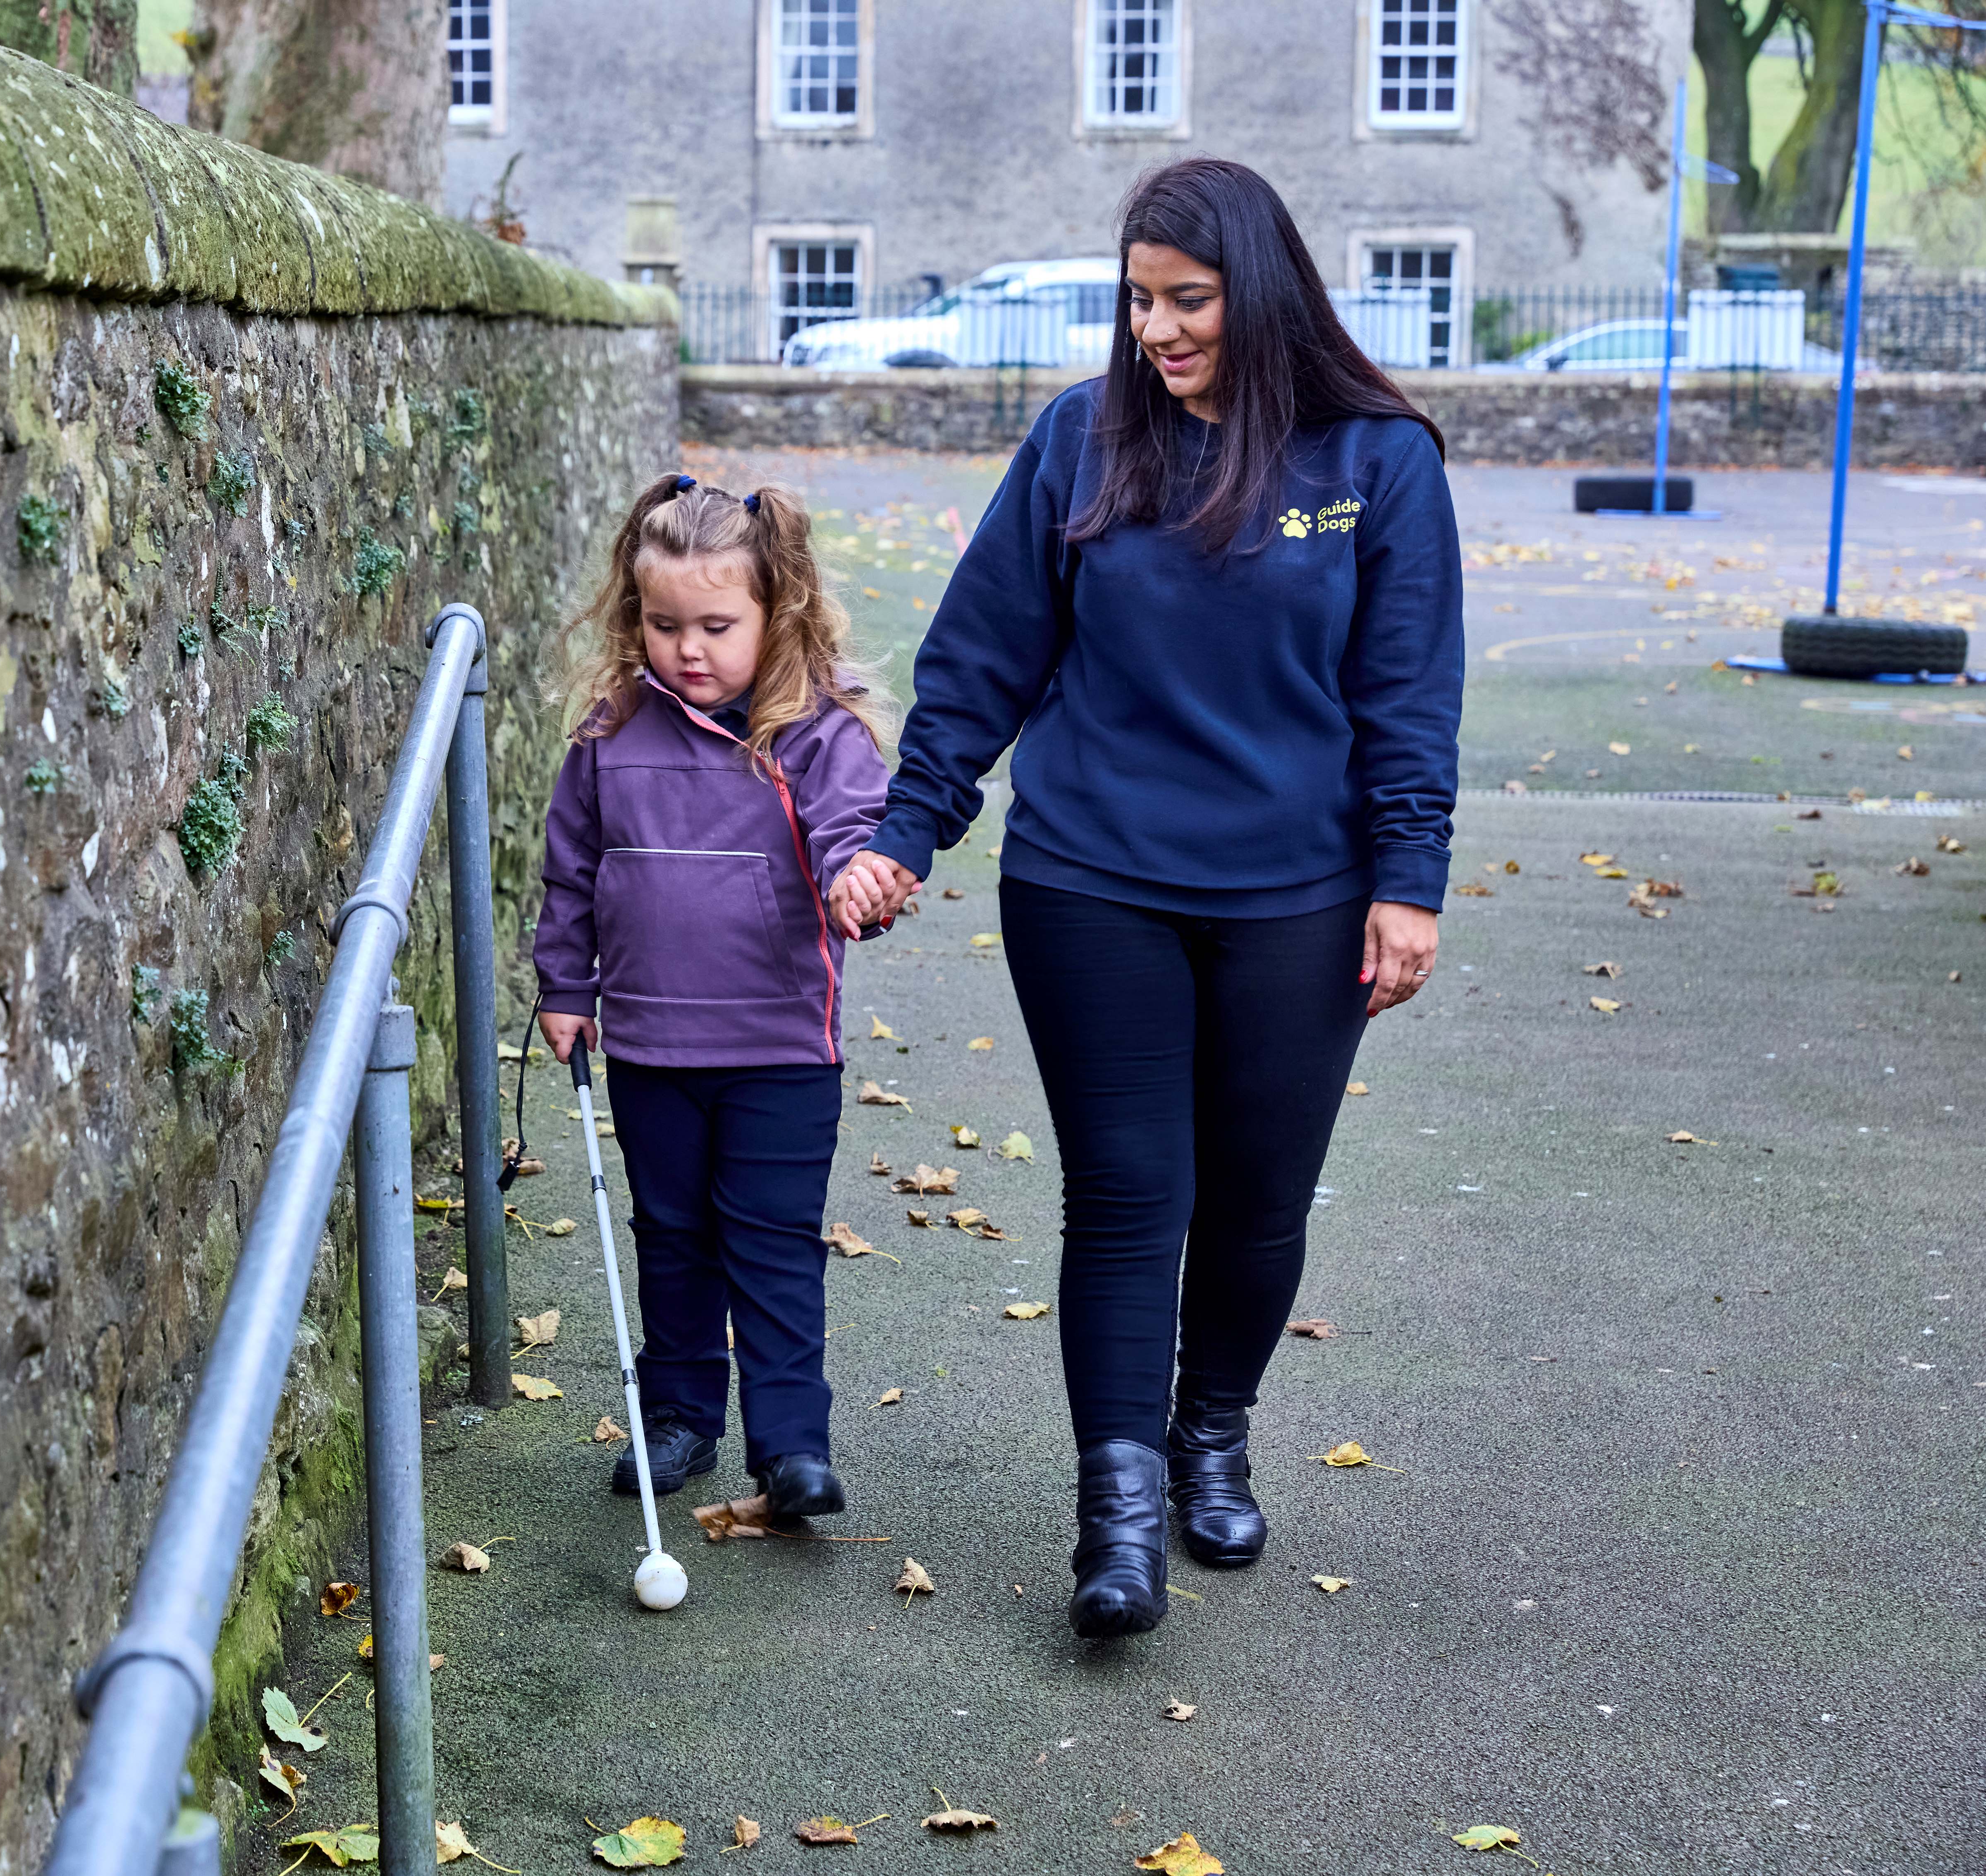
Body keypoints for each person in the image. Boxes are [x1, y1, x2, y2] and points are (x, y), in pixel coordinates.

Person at [830, 158, 1464, 1636]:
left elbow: (1406, 695)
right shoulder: (1080, 442)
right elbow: (982, 655)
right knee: (1127, 1195)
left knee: (1253, 1202)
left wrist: (1410, 878)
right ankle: (1114, 1517)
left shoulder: (1374, 461)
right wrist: (909, 832)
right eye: (1137, 300)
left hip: (1300, 895)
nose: (1157, 328)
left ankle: (1211, 1432)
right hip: (1092, 878)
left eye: (1187, 300)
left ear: (1263, 290)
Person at [536, 473, 892, 1520]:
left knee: (774, 1245)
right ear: (633, 615)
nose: (687, 649)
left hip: (779, 1046)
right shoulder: (611, 732)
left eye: (715, 625)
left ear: (777, 612)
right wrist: (565, 983)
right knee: (673, 1234)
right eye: (663, 624)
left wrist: (857, 880)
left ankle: (790, 1444)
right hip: (650, 1047)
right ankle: (680, 1415)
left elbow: (851, 838)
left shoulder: (812, 733)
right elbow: (571, 870)